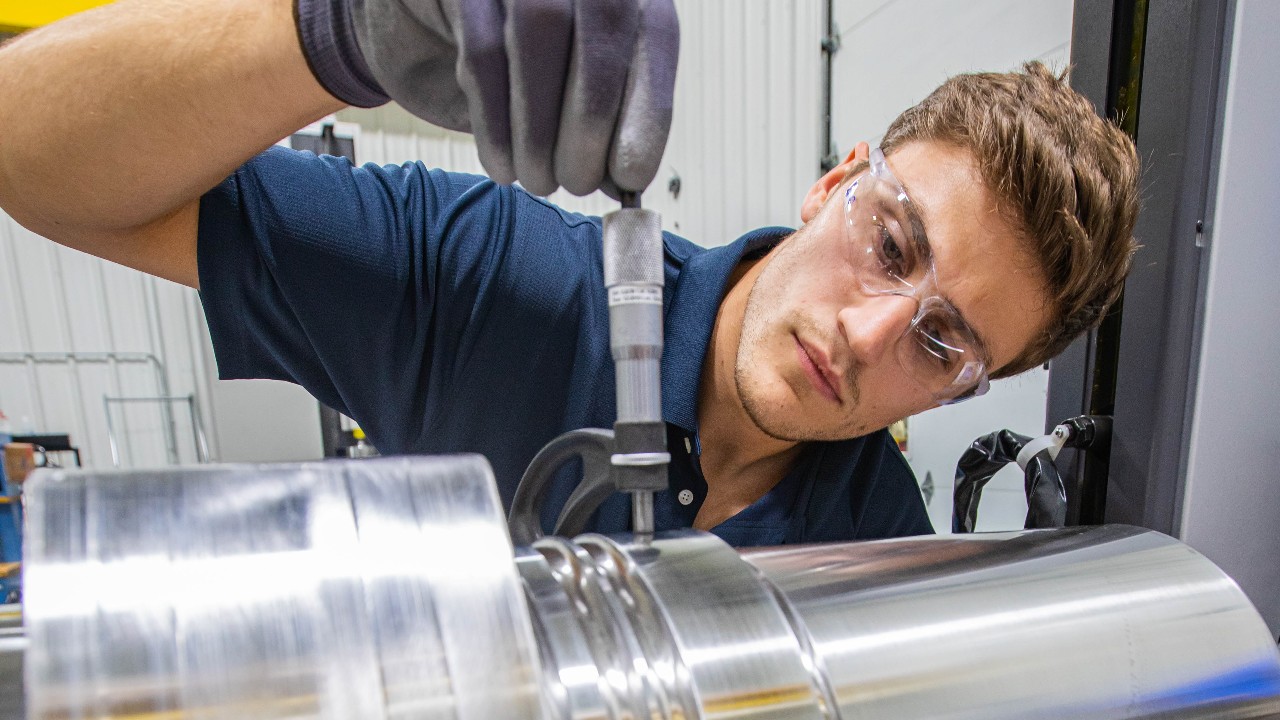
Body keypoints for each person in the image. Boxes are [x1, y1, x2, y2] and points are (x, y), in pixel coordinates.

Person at [0, 0, 1138, 546]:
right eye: (890, 245)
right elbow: (29, 153)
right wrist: (337, 35)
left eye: (941, 342)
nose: (862, 334)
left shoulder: (876, 548)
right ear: (836, 181)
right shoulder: (496, 284)